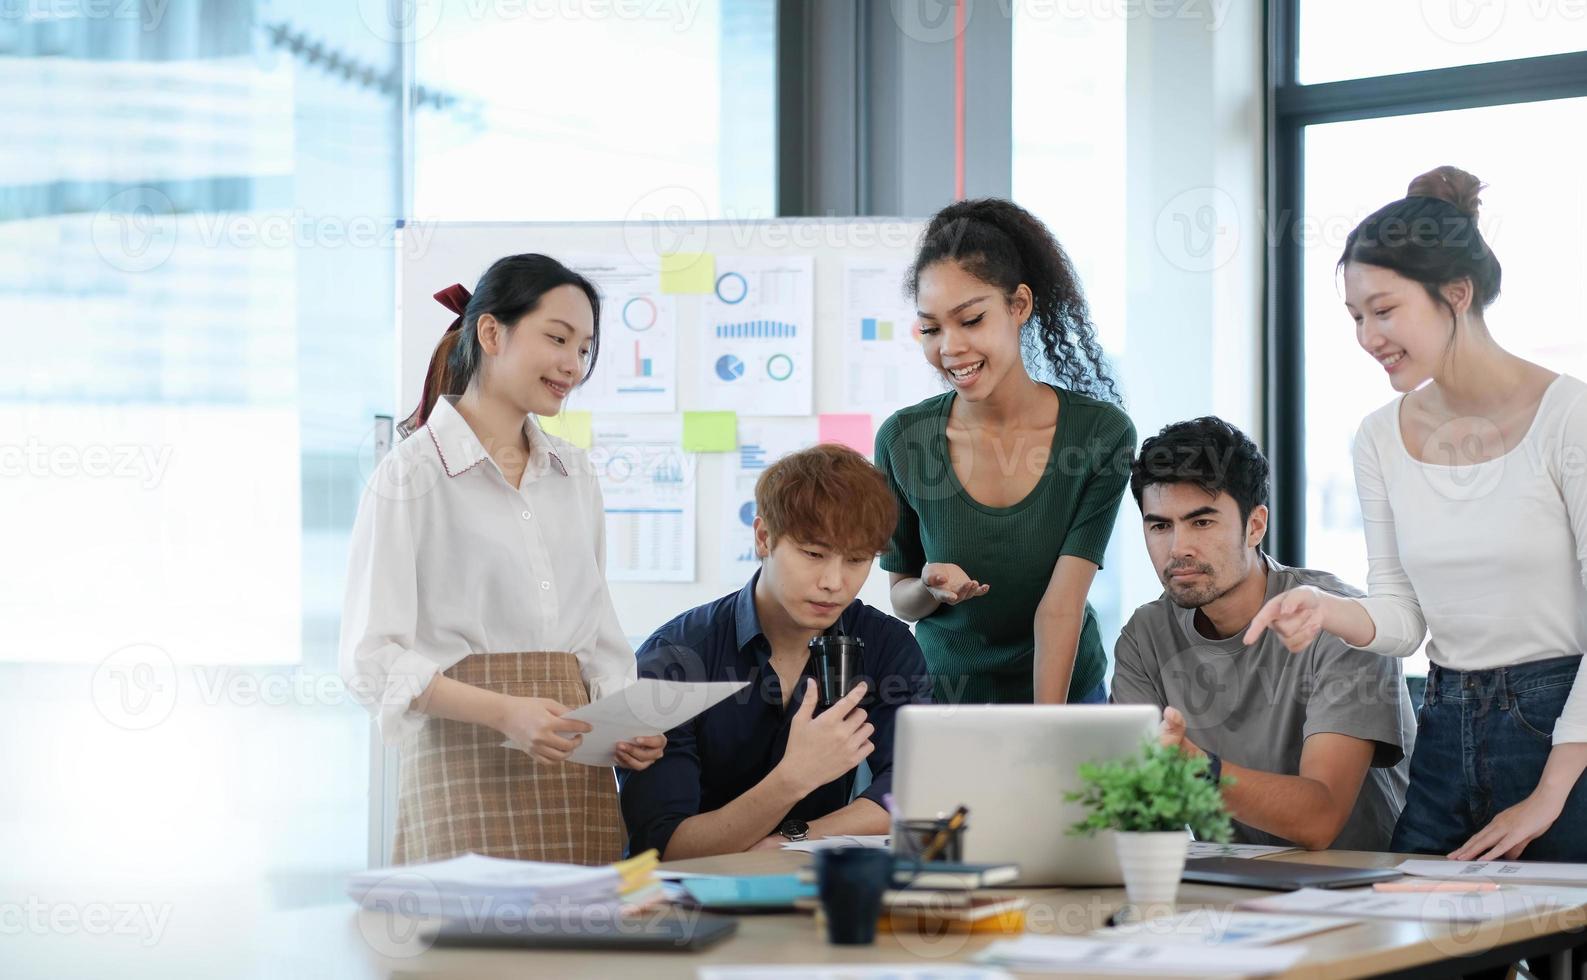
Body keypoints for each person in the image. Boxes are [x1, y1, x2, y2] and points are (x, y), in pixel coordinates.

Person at [1247, 166, 1587, 862]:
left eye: (1383, 309)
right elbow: (1402, 621)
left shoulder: (1568, 417)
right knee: (1416, 948)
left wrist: (1549, 793)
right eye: (1353, 317)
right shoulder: (1378, 435)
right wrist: (1321, 606)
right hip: (1444, 725)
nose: (1367, 335)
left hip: (1564, 738)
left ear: (1454, 294)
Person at [340, 254, 664, 866]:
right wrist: (505, 712)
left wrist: (624, 722)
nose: (574, 364)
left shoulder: (575, 474)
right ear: (491, 333)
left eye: (586, 348)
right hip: (462, 760)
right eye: (558, 338)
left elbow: (595, 635)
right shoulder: (410, 475)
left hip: (572, 768)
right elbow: (371, 660)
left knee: (580, 954)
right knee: (467, 955)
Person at [874, 198, 1135, 704]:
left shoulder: (1100, 435)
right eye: (931, 329)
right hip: (944, 701)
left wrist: (1043, 730)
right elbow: (903, 599)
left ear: (1019, 305)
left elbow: (1061, 607)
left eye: (970, 320)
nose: (948, 347)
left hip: (1065, 695)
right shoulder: (903, 441)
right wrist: (929, 587)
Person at [1111, 418, 1413, 850]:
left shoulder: (1339, 620)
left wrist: (1193, 766)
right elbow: (1137, 803)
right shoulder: (1145, 635)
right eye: (1159, 525)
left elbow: (1320, 819)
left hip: (1361, 883)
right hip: (1230, 883)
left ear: (1255, 526)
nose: (1177, 549)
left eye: (1201, 522)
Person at [618, 445, 932, 859]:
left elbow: (913, 789)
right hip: (693, 899)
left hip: (814, 886)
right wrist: (793, 778)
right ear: (764, 537)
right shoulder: (675, 659)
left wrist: (791, 838)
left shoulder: (884, 644)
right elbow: (665, 845)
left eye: (856, 560)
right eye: (814, 554)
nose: (834, 582)